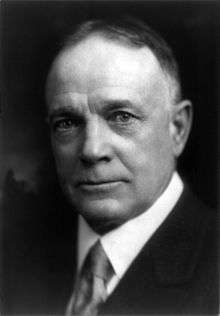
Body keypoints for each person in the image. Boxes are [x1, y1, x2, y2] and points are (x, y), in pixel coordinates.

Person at [2, 16, 218, 315]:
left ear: (177, 129)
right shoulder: (14, 259)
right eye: (67, 123)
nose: (91, 150)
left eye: (122, 117)